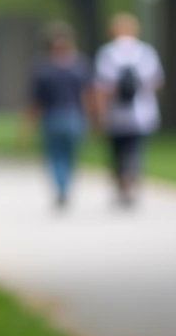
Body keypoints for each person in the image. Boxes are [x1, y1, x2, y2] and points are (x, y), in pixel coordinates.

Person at [20, 22, 94, 209]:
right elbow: (88, 95)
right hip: (74, 117)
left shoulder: (43, 68)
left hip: (53, 118)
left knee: (55, 157)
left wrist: (26, 127)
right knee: (70, 156)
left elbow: (35, 102)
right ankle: (64, 187)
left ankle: (61, 188)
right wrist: (94, 118)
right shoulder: (79, 65)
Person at [94, 13, 164, 207]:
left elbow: (102, 87)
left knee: (116, 150)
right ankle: (131, 177)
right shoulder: (145, 52)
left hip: (115, 113)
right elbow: (155, 82)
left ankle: (122, 182)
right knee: (135, 149)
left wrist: (99, 114)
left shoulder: (107, 52)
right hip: (141, 113)